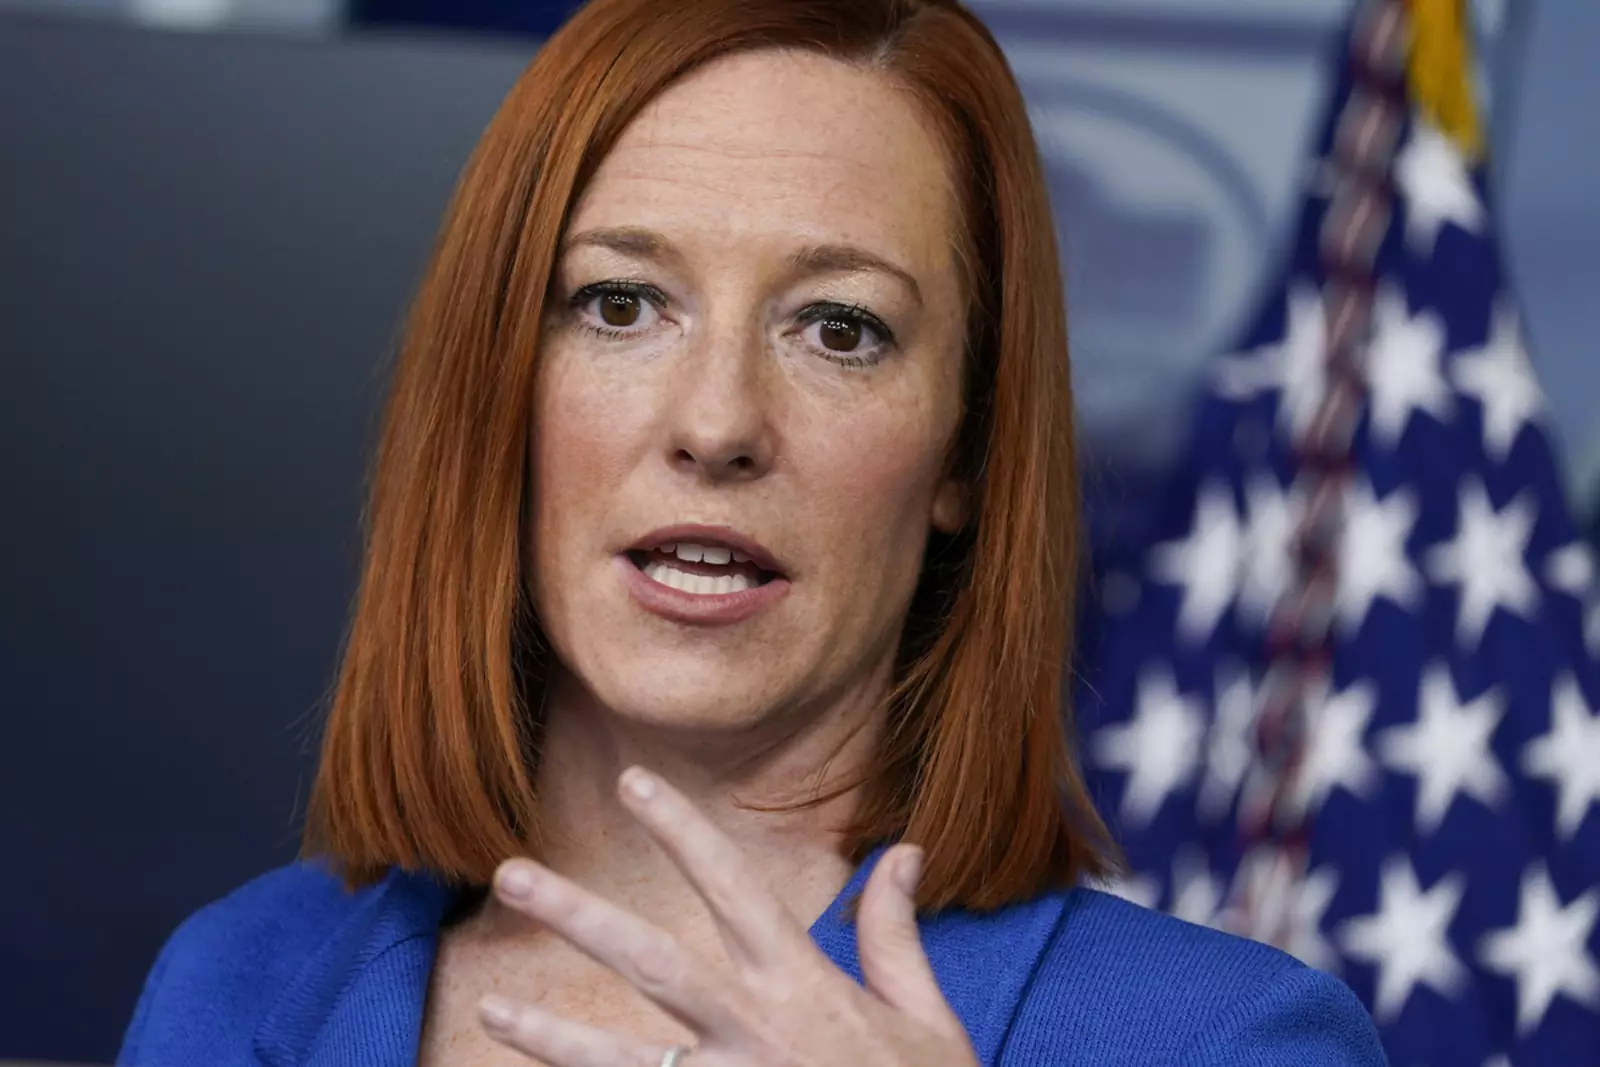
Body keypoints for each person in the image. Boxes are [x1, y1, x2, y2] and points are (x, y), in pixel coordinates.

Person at [115, 0, 1389, 1064]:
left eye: (839, 327)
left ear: (965, 451)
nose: (716, 421)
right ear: (496, 386)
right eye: (621, 303)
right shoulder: (234, 984)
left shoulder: (1228, 1040)